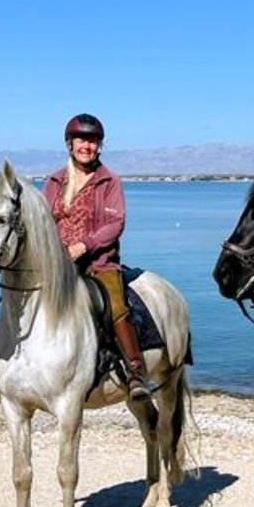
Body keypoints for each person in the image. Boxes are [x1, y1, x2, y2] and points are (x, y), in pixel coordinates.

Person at [43, 112, 150, 401]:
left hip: (100, 263)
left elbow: (116, 223)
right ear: (70, 144)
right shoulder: (55, 181)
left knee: (116, 305)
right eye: (81, 140)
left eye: (92, 141)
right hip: (58, 264)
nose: (86, 146)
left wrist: (83, 246)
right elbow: (44, 220)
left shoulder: (109, 181)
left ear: (99, 145)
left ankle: (135, 372)